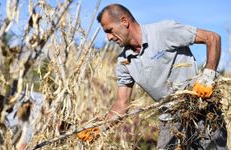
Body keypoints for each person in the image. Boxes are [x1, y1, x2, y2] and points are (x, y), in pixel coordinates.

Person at [77, 3, 227, 149]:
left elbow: (212, 38)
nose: (109, 38)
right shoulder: (124, 62)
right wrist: (99, 128)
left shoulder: (164, 31)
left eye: (110, 30)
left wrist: (207, 77)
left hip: (201, 110)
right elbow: (121, 105)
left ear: (124, 21)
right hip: (170, 121)